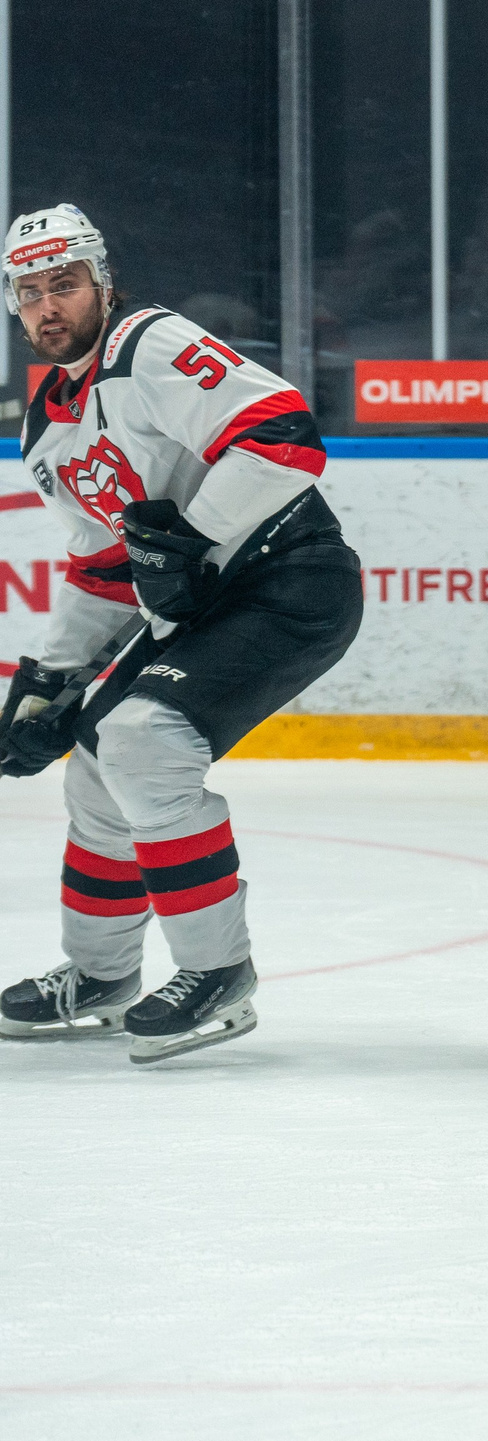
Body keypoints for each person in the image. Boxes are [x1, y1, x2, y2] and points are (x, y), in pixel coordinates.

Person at [0, 203, 363, 1061]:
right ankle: (99, 973)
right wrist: (48, 678)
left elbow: (284, 436)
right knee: (94, 763)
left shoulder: (149, 344)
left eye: (65, 283)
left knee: (143, 738)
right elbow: (102, 564)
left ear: (103, 282)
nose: (49, 306)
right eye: (29, 292)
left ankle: (218, 971)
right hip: (205, 601)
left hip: (291, 580)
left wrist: (194, 536)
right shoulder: (46, 423)